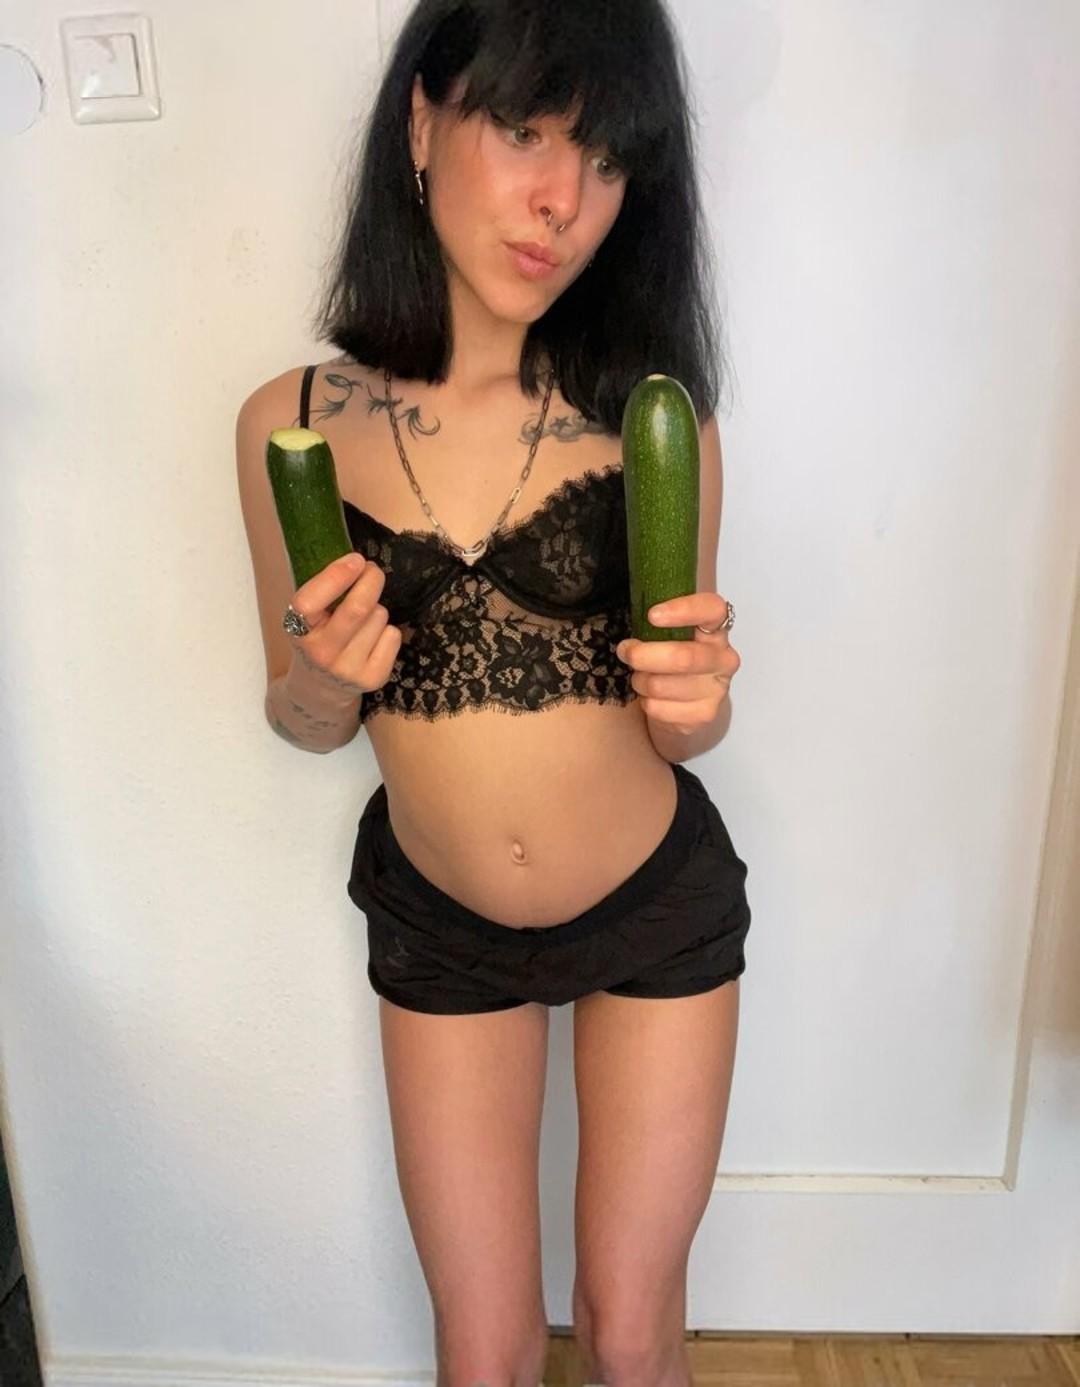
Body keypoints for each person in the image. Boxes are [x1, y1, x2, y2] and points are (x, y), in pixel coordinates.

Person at [236, 1, 750, 1382]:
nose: (563, 200)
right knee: (483, 1350)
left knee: (630, 1331)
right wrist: (319, 679)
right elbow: (301, 721)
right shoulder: (291, 425)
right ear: (421, 120)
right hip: (441, 923)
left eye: (607, 158)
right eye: (525, 130)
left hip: (655, 904)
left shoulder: (659, 419)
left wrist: (699, 702)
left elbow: (684, 724)